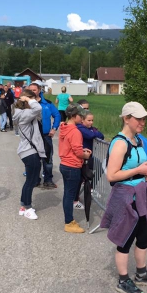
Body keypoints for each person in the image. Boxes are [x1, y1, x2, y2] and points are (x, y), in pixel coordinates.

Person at [100, 102, 147, 293]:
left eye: (144, 119)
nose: (143, 122)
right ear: (126, 118)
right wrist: (138, 170)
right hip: (125, 196)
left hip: (141, 194)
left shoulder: (139, 140)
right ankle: (123, 279)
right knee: (125, 239)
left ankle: (141, 273)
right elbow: (111, 175)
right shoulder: (120, 143)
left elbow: (138, 166)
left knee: (144, 236)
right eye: (139, 119)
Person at [13, 89, 46, 220]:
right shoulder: (25, 113)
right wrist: (27, 99)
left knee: (30, 180)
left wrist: (27, 99)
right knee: (31, 181)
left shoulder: (22, 114)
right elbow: (38, 108)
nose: (34, 100)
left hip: (28, 150)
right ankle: (27, 207)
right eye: (31, 99)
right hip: (30, 151)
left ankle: (23, 205)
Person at [58, 103, 92, 233]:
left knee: (68, 193)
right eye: (80, 115)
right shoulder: (76, 131)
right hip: (72, 166)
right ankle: (69, 222)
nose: (82, 118)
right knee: (70, 195)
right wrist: (86, 154)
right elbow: (78, 152)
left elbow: (70, 146)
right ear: (74, 116)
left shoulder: (64, 127)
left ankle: (69, 220)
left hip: (65, 163)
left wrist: (81, 150)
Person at [28, 81, 61, 189]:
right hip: (32, 136)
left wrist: (54, 128)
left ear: (39, 91)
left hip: (46, 136)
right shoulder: (25, 104)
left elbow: (57, 115)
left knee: (48, 159)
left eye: (34, 90)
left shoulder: (47, 103)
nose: (32, 92)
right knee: (34, 159)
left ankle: (48, 180)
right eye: (30, 90)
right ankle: (35, 180)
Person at [73, 110, 104, 210]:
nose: (91, 123)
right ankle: (75, 200)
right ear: (82, 120)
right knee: (78, 179)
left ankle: (90, 187)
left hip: (88, 156)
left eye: (92, 120)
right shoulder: (80, 127)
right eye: (89, 120)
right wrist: (94, 132)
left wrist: (94, 132)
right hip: (81, 156)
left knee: (100, 167)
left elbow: (101, 135)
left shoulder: (89, 129)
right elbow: (91, 135)